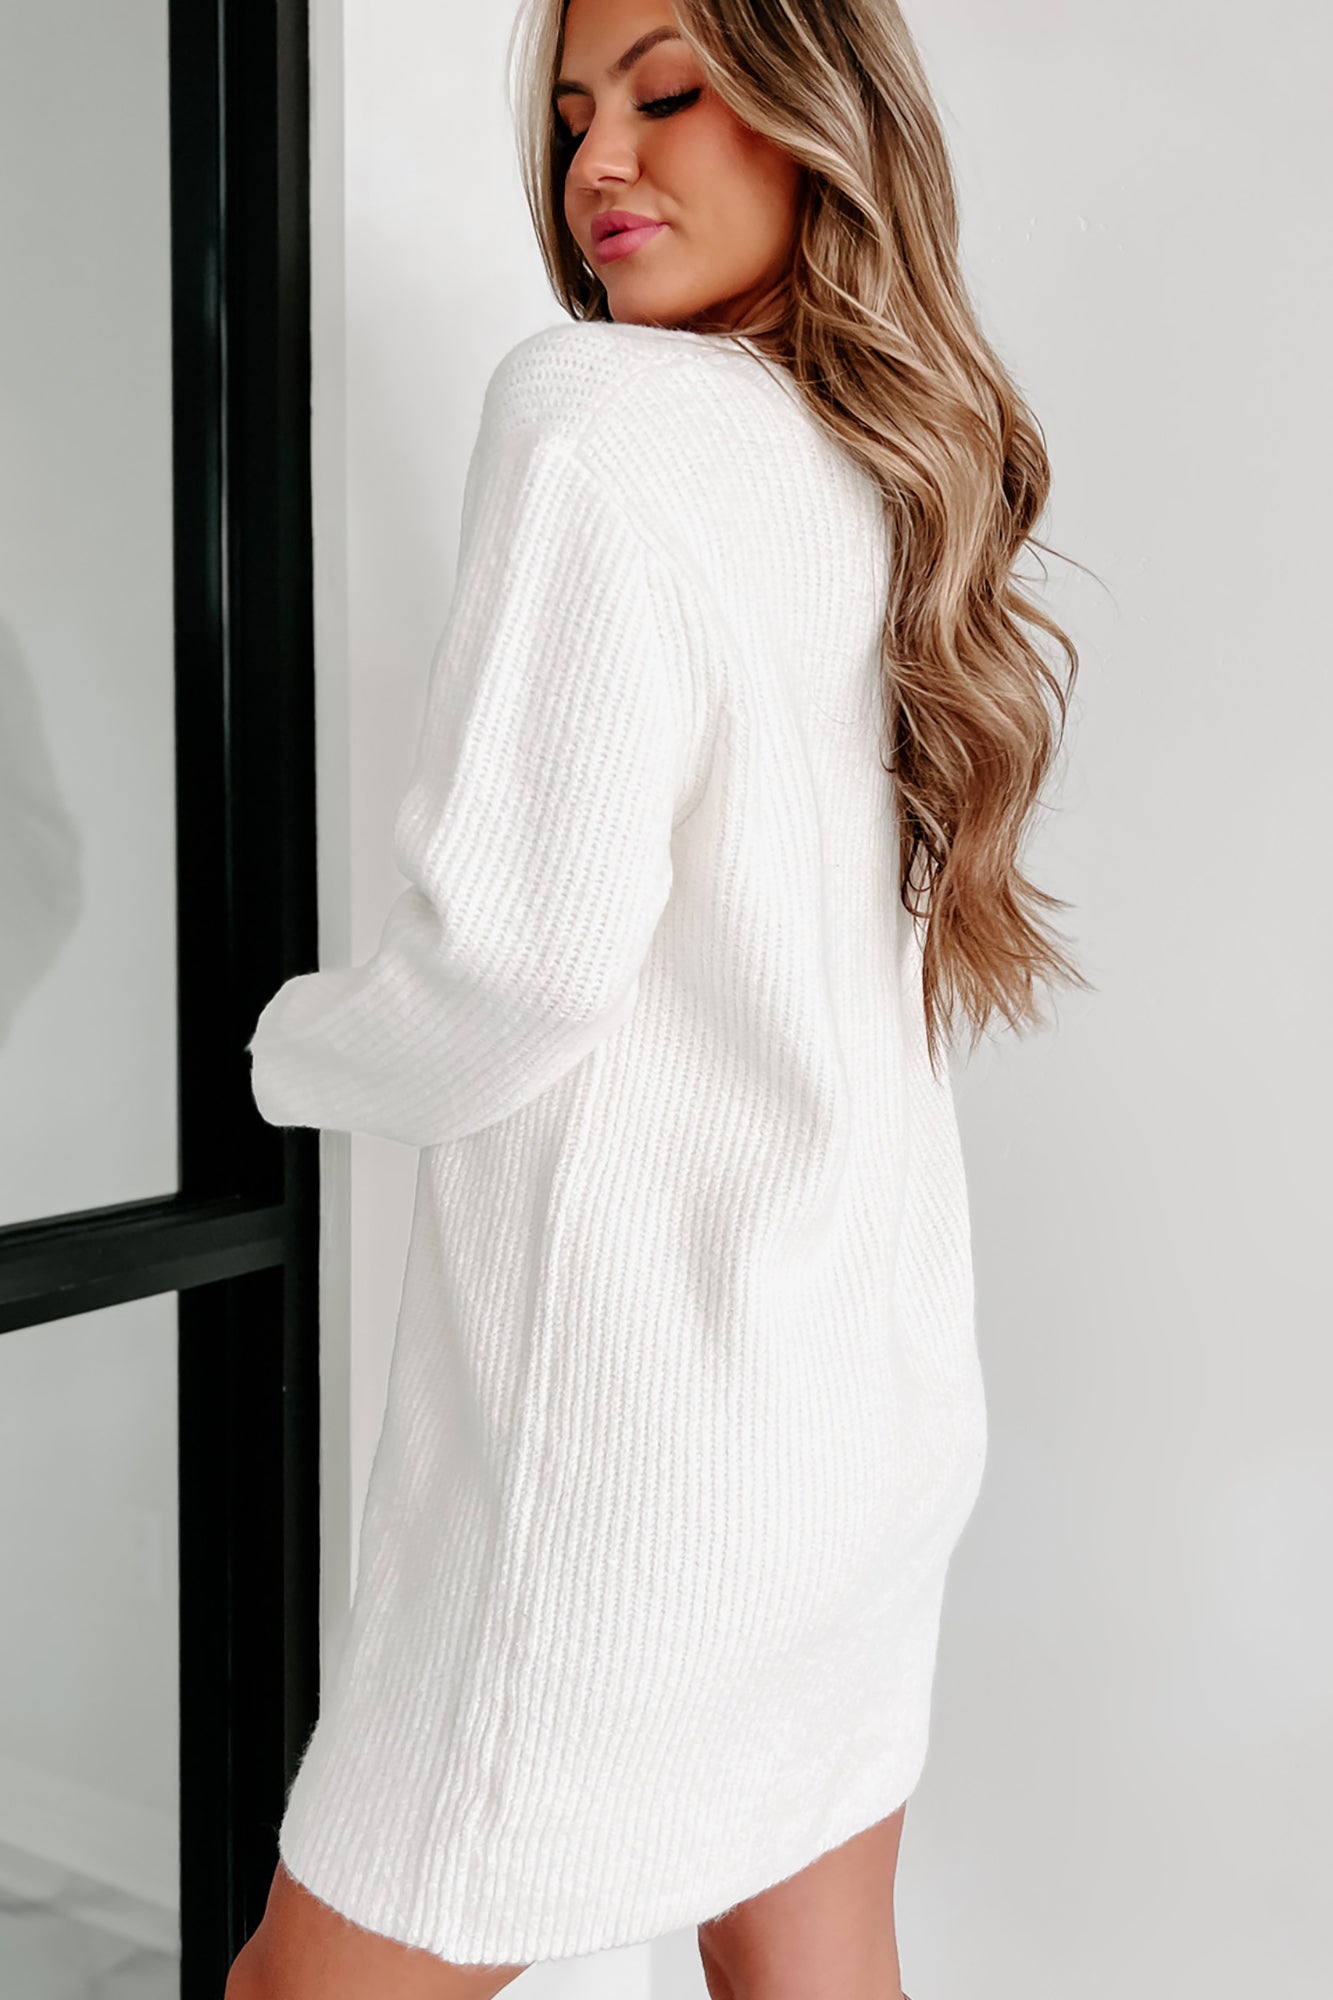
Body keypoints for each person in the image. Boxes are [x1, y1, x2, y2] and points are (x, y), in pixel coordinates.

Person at [227, 0, 1088, 1994]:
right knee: (812, 1968)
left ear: (815, 118)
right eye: (569, 117)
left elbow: (509, 968)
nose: (597, 161)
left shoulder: (598, 417)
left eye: (668, 95)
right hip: (861, 1419)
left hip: (623, 1476)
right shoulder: (888, 472)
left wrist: (278, 1050)